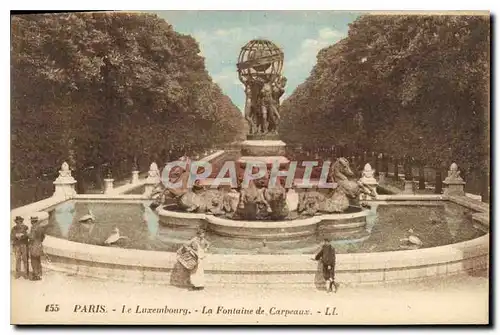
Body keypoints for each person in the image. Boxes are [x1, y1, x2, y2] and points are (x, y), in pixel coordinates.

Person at [28, 216, 46, 281]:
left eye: (31, 221)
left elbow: (31, 237)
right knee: (38, 260)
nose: (30, 222)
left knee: (34, 260)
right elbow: (43, 236)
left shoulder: (33, 228)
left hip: (33, 246)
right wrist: (39, 241)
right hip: (39, 245)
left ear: (32, 221)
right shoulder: (40, 228)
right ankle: (39, 274)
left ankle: (36, 276)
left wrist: (27, 235)